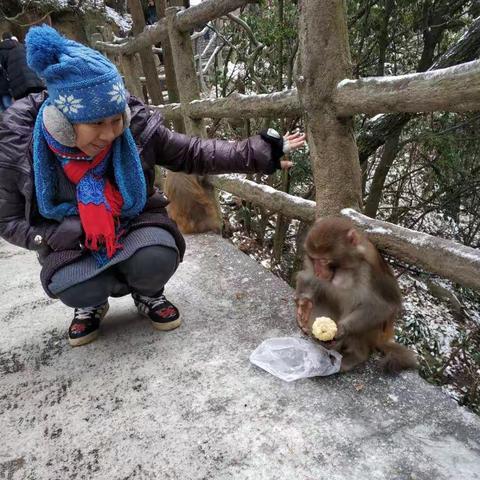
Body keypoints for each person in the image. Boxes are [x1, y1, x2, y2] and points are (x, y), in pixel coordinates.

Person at [0, 25, 305, 347]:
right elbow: (6, 220)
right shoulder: (18, 142)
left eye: (116, 120)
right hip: (68, 239)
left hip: (133, 221)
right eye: (95, 124)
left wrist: (256, 153)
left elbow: (191, 152)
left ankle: (148, 295)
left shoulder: (135, 125)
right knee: (74, 284)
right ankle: (89, 304)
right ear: (61, 123)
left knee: (156, 257)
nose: (109, 134)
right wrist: (45, 235)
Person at [0, 32, 44, 101]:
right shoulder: (22, 46)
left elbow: (4, 70)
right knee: (39, 102)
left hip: (17, 84)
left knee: (25, 106)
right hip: (33, 80)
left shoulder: (3, 51)